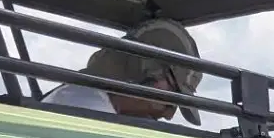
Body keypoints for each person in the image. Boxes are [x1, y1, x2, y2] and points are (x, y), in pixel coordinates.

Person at [41, 17, 202, 123]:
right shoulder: (90, 112)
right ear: (146, 70)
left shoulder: (81, 97)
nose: (168, 115)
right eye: (171, 99)